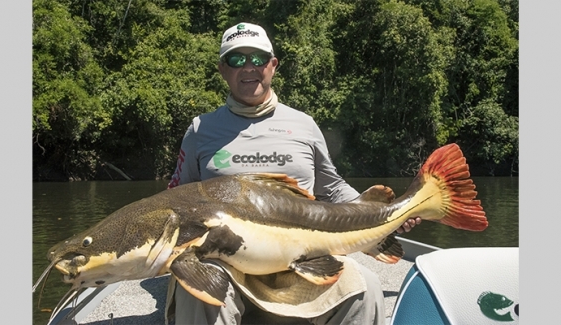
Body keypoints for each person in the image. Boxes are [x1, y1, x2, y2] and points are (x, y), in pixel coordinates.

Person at [166, 22, 421, 325]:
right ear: (222, 69)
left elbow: (332, 187)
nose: (248, 67)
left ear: (273, 65)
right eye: (236, 59)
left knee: (364, 286)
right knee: (196, 292)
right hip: (227, 262)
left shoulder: (303, 124)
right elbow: (175, 202)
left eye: (258, 58)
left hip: (303, 259)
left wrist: (381, 215)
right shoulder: (200, 130)